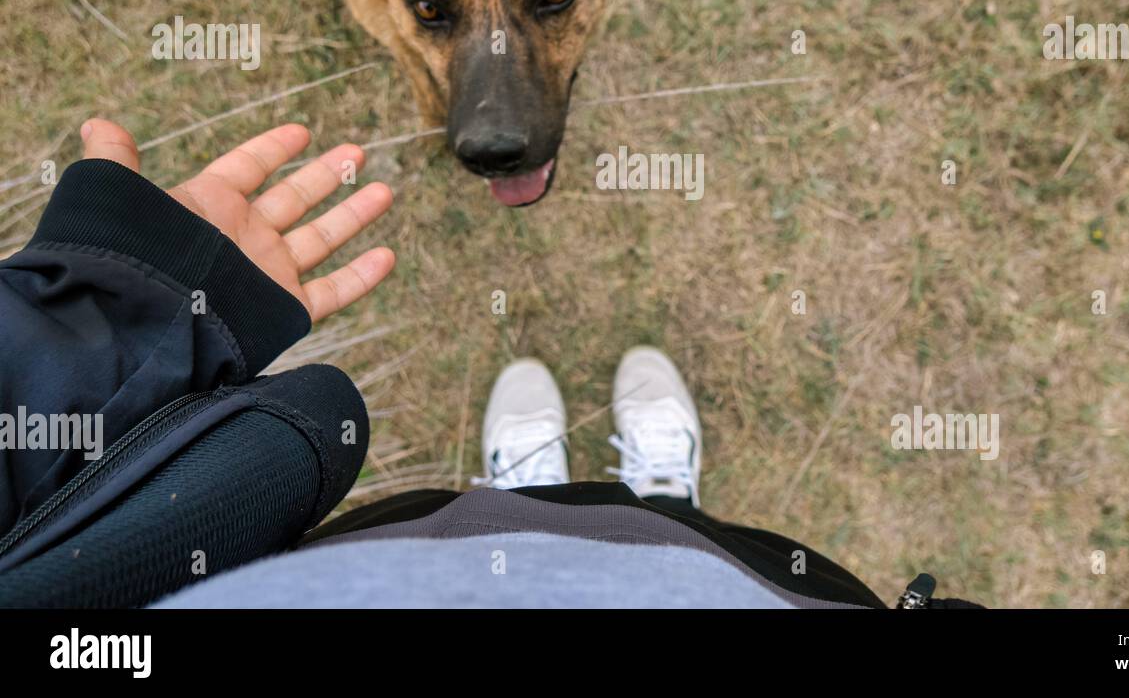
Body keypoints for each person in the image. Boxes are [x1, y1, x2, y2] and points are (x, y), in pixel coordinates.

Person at [0, 120, 977, 609]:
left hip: (396, 574)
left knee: (510, 535)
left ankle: (530, 506)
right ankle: (626, 510)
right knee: (678, 545)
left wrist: (108, 331)